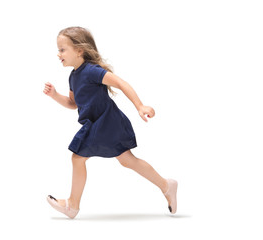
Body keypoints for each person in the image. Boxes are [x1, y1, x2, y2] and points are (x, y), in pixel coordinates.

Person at [43, 27, 177, 219]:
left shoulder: (92, 71)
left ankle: (72, 205)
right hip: (96, 124)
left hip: (107, 122)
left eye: (63, 49)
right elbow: (73, 104)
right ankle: (166, 185)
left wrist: (140, 106)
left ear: (79, 50)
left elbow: (121, 83)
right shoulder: (73, 76)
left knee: (78, 158)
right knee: (127, 160)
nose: (58, 54)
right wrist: (55, 96)